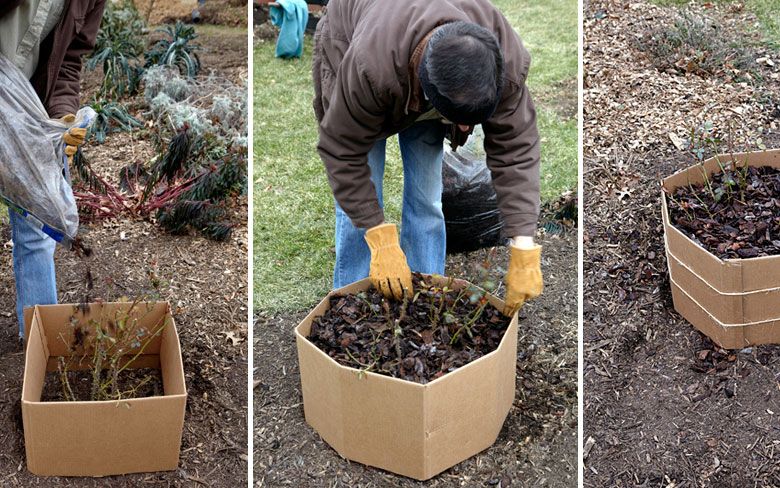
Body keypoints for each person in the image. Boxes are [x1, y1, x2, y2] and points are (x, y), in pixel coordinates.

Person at [312, 0, 543, 315]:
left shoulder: (504, 59)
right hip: (357, 44)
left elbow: (516, 149)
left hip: (417, 67)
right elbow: (343, 150)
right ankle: (352, 303)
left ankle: (426, 299)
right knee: (362, 201)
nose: (465, 129)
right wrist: (379, 237)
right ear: (427, 88)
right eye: (459, 120)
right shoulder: (370, 66)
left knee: (427, 196)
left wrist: (523, 242)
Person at [0, 0, 106, 337]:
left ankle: (40, 343)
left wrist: (62, 116)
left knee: (39, 221)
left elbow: (69, 60)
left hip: (26, 106)